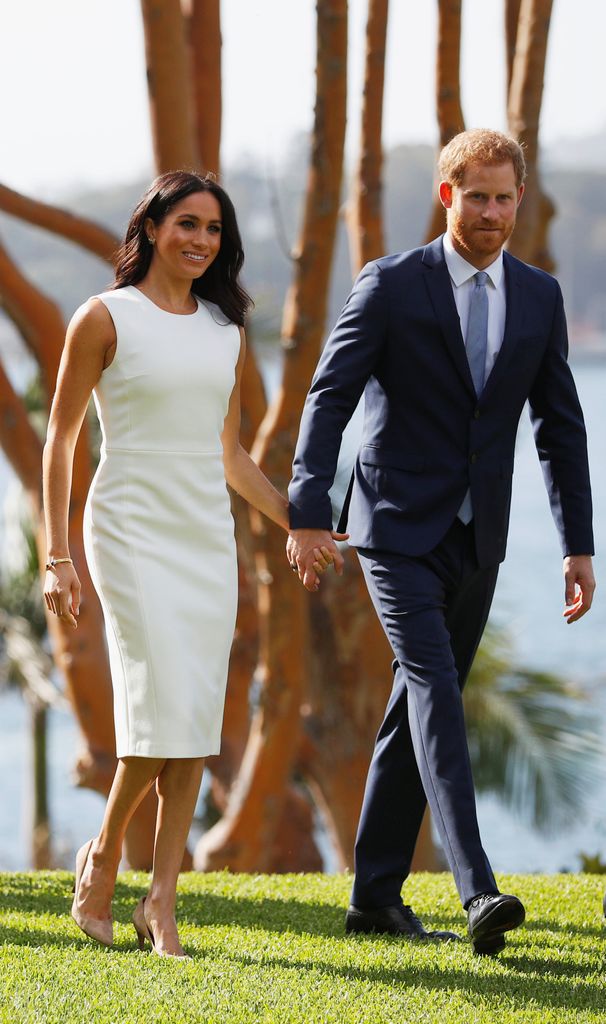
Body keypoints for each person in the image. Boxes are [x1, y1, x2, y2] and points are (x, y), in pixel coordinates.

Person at [286, 130, 595, 955]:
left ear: (519, 200)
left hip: (479, 536)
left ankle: (374, 898)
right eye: (477, 196)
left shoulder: (538, 297)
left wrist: (578, 543)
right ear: (447, 194)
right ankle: (477, 889)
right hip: (391, 527)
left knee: (411, 709)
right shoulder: (390, 285)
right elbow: (329, 396)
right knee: (436, 690)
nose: (491, 212)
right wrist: (308, 510)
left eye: (504, 197)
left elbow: (560, 429)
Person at [43, 172, 297, 958]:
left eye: (214, 230)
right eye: (186, 223)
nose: (200, 241)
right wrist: (57, 555)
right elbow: (60, 442)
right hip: (127, 529)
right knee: (157, 706)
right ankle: (106, 856)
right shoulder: (104, 318)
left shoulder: (226, 331)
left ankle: (161, 898)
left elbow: (228, 457)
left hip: (202, 536)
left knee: (190, 721)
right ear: (151, 227)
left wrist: (302, 521)